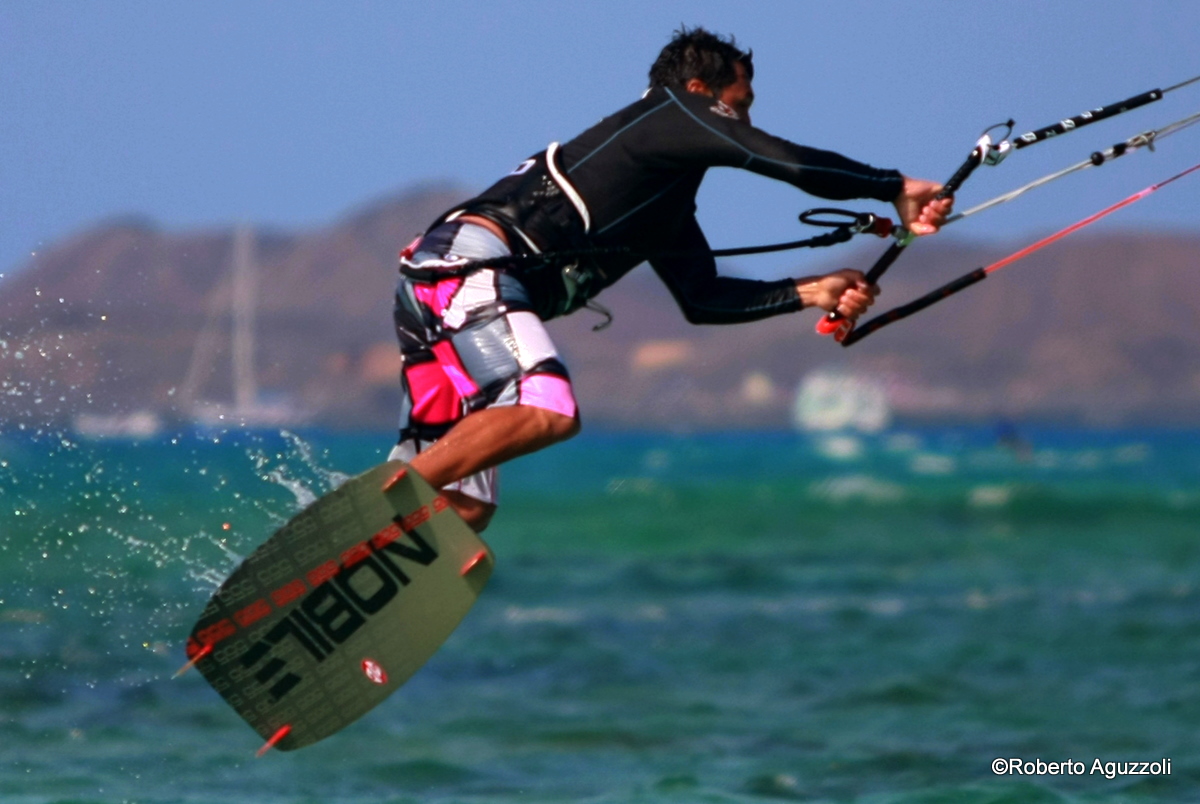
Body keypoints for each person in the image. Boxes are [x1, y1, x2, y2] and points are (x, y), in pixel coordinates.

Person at [389, 27, 952, 531]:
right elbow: (783, 159)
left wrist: (812, 292)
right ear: (702, 90)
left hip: (444, 284)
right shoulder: (672, 112)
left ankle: (349, 553)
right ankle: (381, 512)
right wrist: (892, 185)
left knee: (465, 509)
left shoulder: (662, 198)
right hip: (469, 268)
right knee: (545, 407)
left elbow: (702, 299)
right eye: (741, 104)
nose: (746, 121)